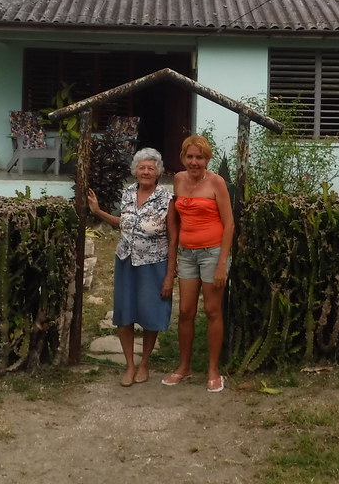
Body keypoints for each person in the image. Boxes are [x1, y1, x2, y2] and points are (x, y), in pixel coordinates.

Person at [87, 147, 176, 387]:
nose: (146, 171)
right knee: (124, 314)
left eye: (151, 168)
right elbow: (123, 223)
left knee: (150, 314)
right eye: (141, 167)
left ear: (158, 172)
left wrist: (170, 275)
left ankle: (145, 362)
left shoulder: (167, 199)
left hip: (154, 264)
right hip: (126, 260)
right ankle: (129, 365)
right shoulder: (127, 193)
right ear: (135, 171)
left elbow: (173, 237)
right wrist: (98, 212)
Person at [161, 134, 235, 393]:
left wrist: (222, 263)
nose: (194, 162)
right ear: (183, 157)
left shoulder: (217, 182)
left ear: (207, 159)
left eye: (199, 157)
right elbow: (178, 219)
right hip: (187, 254)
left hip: (212, 253)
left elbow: (229, 224)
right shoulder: (178, 180)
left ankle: (213, 369)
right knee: (185, 312)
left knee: (213, 311)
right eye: (190, 156)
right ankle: (184, 366)